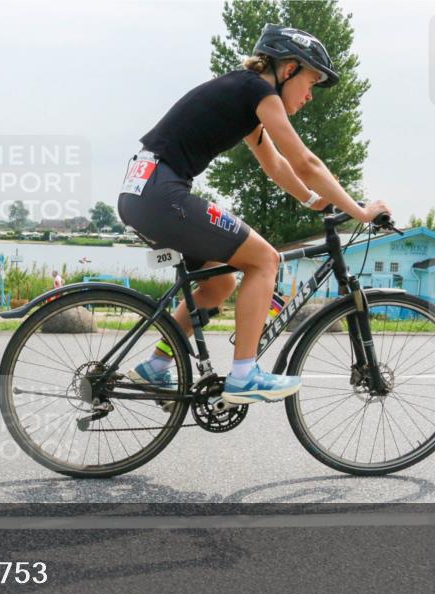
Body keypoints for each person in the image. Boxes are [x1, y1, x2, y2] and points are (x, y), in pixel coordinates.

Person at [117, 24, 391, 404]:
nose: (310, 95)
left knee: (220, 284)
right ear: (289, 68)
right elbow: (306, 162)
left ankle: (157, 366)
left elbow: (276, 165)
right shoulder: (259, 92)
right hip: (162, 193)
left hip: (141, 192)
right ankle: (244, 375)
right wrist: (361, 211)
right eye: (311, 81)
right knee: (265, 259)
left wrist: (316, 203)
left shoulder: (245, 95)